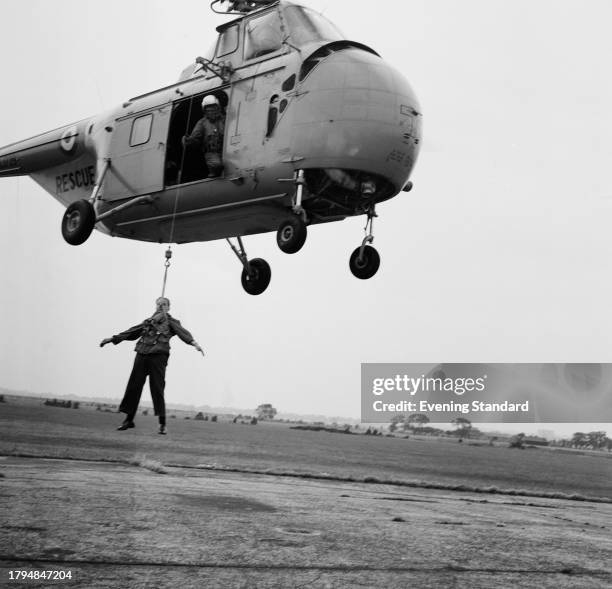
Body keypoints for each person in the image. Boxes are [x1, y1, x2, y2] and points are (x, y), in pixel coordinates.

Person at [100, 297, 204, 434]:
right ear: (155, 306)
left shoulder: (172, 322)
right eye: (159, 304)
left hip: (158, 357)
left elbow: (182, 332)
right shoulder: (148, 322)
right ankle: (128, 420)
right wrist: (112, 339)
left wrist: (194, 344)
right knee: (134, 386)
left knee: (157, 388)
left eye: (164, 304)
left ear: (169, 307)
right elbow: (132, 332)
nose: (161, 306)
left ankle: (162, 424)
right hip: (142, 355)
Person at [182, 95, 225, 178]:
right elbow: (195, 137)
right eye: (208, 110)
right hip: (212, 152)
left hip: (226, 149)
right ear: (205, 111)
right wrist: (188, 140)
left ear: (218, 108)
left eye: (213, 108)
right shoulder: (202, 123)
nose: (211, 111)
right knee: (216, 165)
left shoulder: (225, 119)